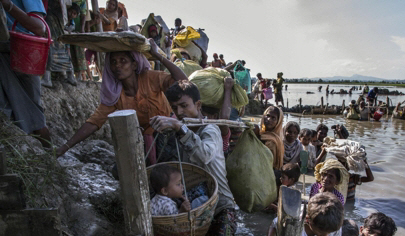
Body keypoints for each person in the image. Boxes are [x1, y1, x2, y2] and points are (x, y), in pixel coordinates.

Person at [149, 80, 237, 236]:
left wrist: (179, 128)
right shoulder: (179, 134)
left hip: (222, 207)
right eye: (174, 108)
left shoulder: (210, 130)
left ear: (198, 106)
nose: (179, 112)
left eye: (184, 106)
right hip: (198, 211)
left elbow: (204, 154)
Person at [56, 40, 188, 163]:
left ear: (134, 64)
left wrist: (158, 56)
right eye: (113, 62)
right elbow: (94, 122)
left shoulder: (150, 78)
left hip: (168, 134)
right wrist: (65, 147)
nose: (117, 66)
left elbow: (183, 82)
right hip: (143, 139)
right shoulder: (115, 94)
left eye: (123, 61)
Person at [1, 0, 52, 148]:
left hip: (22, 55)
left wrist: (8, 5)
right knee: (6, 115)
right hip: (5, 56)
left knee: (34, 117)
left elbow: (39, 27)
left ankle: (51, 159)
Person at [201, 77, 234, 154]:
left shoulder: (221, 131)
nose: (201, 118)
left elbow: (224, 118)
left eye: (204, 115)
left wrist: (228, 90)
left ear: (214, 116)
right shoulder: (198, 128)